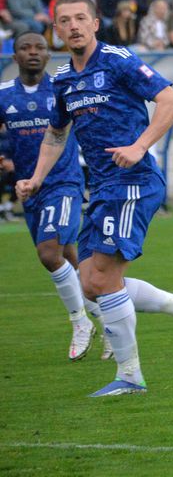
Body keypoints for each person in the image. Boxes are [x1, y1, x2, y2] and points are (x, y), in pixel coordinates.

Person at [16, 0, 173, 396]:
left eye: (80, 18)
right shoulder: (62, 80)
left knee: (103, 278)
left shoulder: (117, 59)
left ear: (95, 24)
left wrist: (139, 146)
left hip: (134, 182)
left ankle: (130, 376)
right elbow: (57, 133)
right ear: (56, 31)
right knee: (92, 283)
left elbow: (171, 100)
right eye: (64, 21)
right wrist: (37, 177)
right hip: (105, 188)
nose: (73, 26)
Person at [0, 33, 99, 360]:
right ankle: (109, 321)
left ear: (48, 55)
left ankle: (80, 322)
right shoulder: (4, 96)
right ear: (14, 57)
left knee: (48, 253)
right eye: (25, 48)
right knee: (72, 261)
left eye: (39, 48)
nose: (32, 53)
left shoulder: (62, 89)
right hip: (29, 190)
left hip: (64, 184)